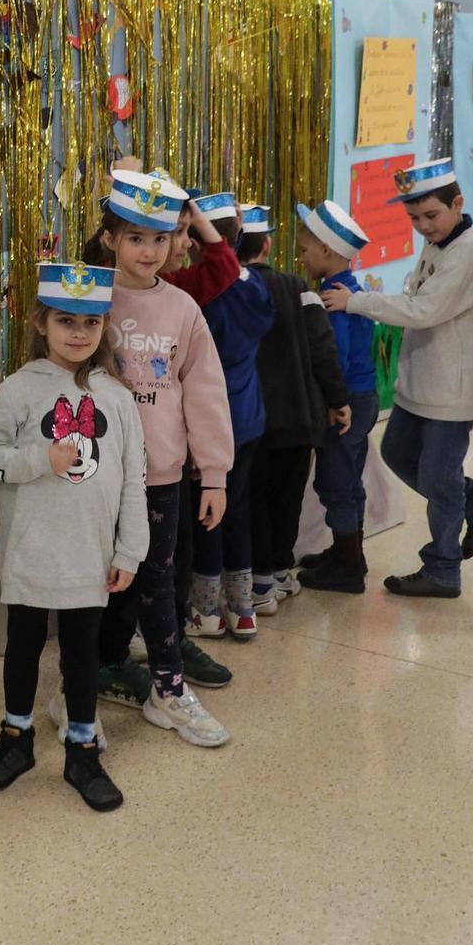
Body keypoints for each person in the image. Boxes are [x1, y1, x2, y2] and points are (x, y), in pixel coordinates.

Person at [0, 262, 149, 810]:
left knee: (80, 655)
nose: (78, 333)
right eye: (65, 320)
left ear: (104, 328)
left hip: (89, 560)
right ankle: (16, 739)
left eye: (90, 323)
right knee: (22, 650)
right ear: (40, 322)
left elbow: (134, 482)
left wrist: (130, 551)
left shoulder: (117, 399)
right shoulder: (19, 388)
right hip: (30, 555)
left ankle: (82, 748)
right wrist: (37, 459)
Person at [83, 168, 233, 747]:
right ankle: (85, 678)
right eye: (136, 237)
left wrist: (214, 474)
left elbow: (204, 391)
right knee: (98, 583)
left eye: (161, 237)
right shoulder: (88, 296)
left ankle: (168, 689)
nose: (150, 250)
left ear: (176, 240)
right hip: (95, 475)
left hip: (160, 478)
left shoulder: (183, 310)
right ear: (111, 239)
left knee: (158, 580)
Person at [323, 159, 473, 598]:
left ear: (458, 204)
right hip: (422, 383)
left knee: (440, 478)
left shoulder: (469, 252)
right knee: (398, 451)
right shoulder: (439, 243)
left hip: (452, 391)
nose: (423, 226)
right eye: (414, 218)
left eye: (431, 215)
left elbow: (424, 311)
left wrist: (358, 302)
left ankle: (443, 569)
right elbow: (417, 298)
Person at [240, 204, 349, 605]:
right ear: (267, 244)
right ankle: (281, 572)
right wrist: (338, 400)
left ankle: (260, 581)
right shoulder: (299, 288)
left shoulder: (231, 290)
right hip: (300, 419)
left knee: (255, 500)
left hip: (252, 420)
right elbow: (324, 349)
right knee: (288, 499)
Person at [185, 195, 275, 640]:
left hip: (210, 423)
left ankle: (205, 610)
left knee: (206, 513)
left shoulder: (200, 293)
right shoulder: (255, 286)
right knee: (235, 508)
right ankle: (242, 609)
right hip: (250, 415)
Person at [294, 199, 378, 593]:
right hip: (363, 398)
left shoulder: (333, 297)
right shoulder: (352, 289)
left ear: (326, 251)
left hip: (347, 402)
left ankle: (348, 568)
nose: (301, 258)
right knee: (348, 480)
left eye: (305, 250)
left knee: (336, 482)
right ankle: (349, 553)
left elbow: (337, 358)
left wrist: (333, 403)